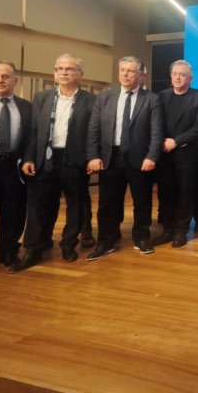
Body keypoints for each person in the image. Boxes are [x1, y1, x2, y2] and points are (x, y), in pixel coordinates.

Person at [12, 54, 95, 270]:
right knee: (38, 204)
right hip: (45, 158)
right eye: (60, 69)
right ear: (55, 73)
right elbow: (33, 130)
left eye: (69, 69)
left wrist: (92, 158)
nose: (64, 72)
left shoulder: (91, 100)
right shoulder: (42, 97)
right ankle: (34, 248)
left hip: (75, 159)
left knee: (75, 204)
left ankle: (68, 244)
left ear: (80, 74)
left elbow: (94, 133)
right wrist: (29, 157)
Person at [86, 56, 163, 260]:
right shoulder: (105, 97)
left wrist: (152, 156)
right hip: (110, 157)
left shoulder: (151, 99)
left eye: (130, 71)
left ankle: (141, 237)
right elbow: (93, 129)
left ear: (140, 74)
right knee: (107, 202)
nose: (125, 74)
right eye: (122, 70)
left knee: (142, 201)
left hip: (141, 159)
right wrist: (93, 156)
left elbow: (157, 132)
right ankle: (106, 240)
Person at [0, 60, 32, 269]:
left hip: (13, 167)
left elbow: (31, 139)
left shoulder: (27, 107)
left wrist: (28, 159)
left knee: (13, 211)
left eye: (6, 76)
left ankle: (9, 251)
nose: (0, 80)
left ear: (15, 80)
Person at [153, 60, 198, 248]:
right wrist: (161, 140)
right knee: (166, 194)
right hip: (164, 155)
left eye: (182, 74)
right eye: (175, 74)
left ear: (190, 78)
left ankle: (181, 231)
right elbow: (155, 123)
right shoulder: (161, 96)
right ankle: (168, 230)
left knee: (186, 194)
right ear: (171, 76)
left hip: (187, 155)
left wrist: (176, 141)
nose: (178, 78)